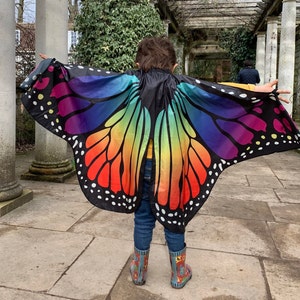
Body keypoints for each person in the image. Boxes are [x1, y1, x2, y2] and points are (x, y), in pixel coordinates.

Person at [20, 36, 299, 289]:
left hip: (133, 165)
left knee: (142, 217)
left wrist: (55, 70)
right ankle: (179, 273)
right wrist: (255, 90)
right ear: (175, 66)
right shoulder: (185, 87)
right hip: (173, 166)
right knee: (174, 217)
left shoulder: (125, 82)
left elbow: (86, 80)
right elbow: (219, 92)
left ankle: (139, 271)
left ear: (136, 63)